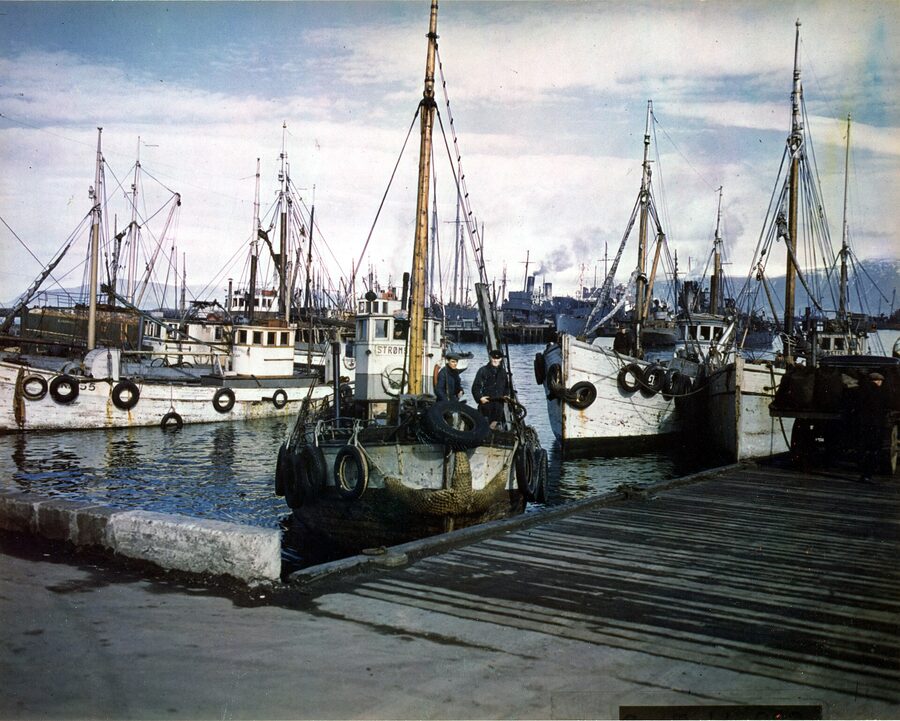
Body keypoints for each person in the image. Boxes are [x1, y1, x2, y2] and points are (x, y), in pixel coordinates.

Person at [857, 371, 887, 481]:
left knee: (864, 448)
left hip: (863, 424)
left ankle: (864, 473)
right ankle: (868, 474)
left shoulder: (861, 390)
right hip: (875, 424)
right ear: (878, 381)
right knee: (873, 449)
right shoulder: (879, 392)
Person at [472, 349, 510, 428]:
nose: (495, 360)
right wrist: (480, 398)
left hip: (498, 405)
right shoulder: (483, 370)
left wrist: (506, 395)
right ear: (490, 358)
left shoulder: (503, 372)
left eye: (497, 358)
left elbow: (506, 386)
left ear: (500, 359)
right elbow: (475, 387)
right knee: (483, 426)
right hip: (486, 404)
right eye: (493, 358)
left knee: (494, 425)